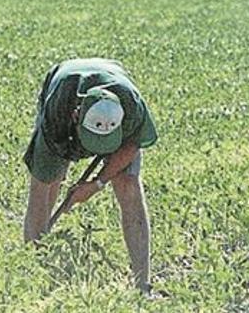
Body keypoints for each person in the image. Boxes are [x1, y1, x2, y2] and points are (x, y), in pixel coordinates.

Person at [22, 58, 158, 293]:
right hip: (62, 86)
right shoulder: (58, 113)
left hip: (114, 80)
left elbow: (132, 146)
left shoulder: (133, 107)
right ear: (76, 117)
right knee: (48, 184)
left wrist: (96, 183)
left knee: (128, 185)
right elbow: (40, 184)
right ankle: (36, 271)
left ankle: (142, 285)